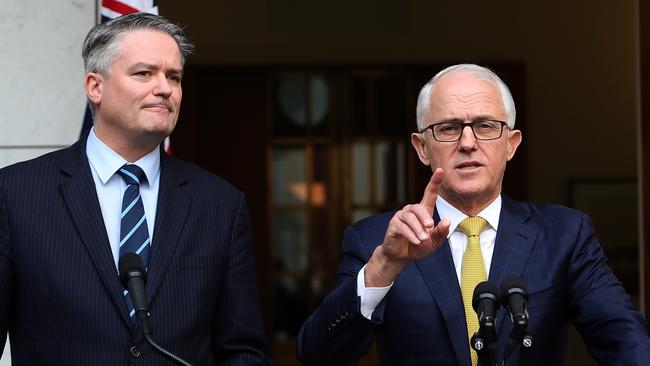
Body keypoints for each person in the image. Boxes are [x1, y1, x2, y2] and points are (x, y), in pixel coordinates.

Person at [297, 64, 650, 365]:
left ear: (510, 144)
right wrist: (381, 269)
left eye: (485, 126)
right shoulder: (376, 241)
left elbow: (624, 337)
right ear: (422, 148)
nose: (468, 142)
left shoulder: (563, 234)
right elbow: (317, 354)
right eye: (449, 128)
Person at [0, 13, 270, 365]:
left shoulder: (220, 204)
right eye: (144, 73)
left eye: (174, 77)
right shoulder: (17, 194)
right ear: (95, 87)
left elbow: (244, 350)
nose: (165, 88)